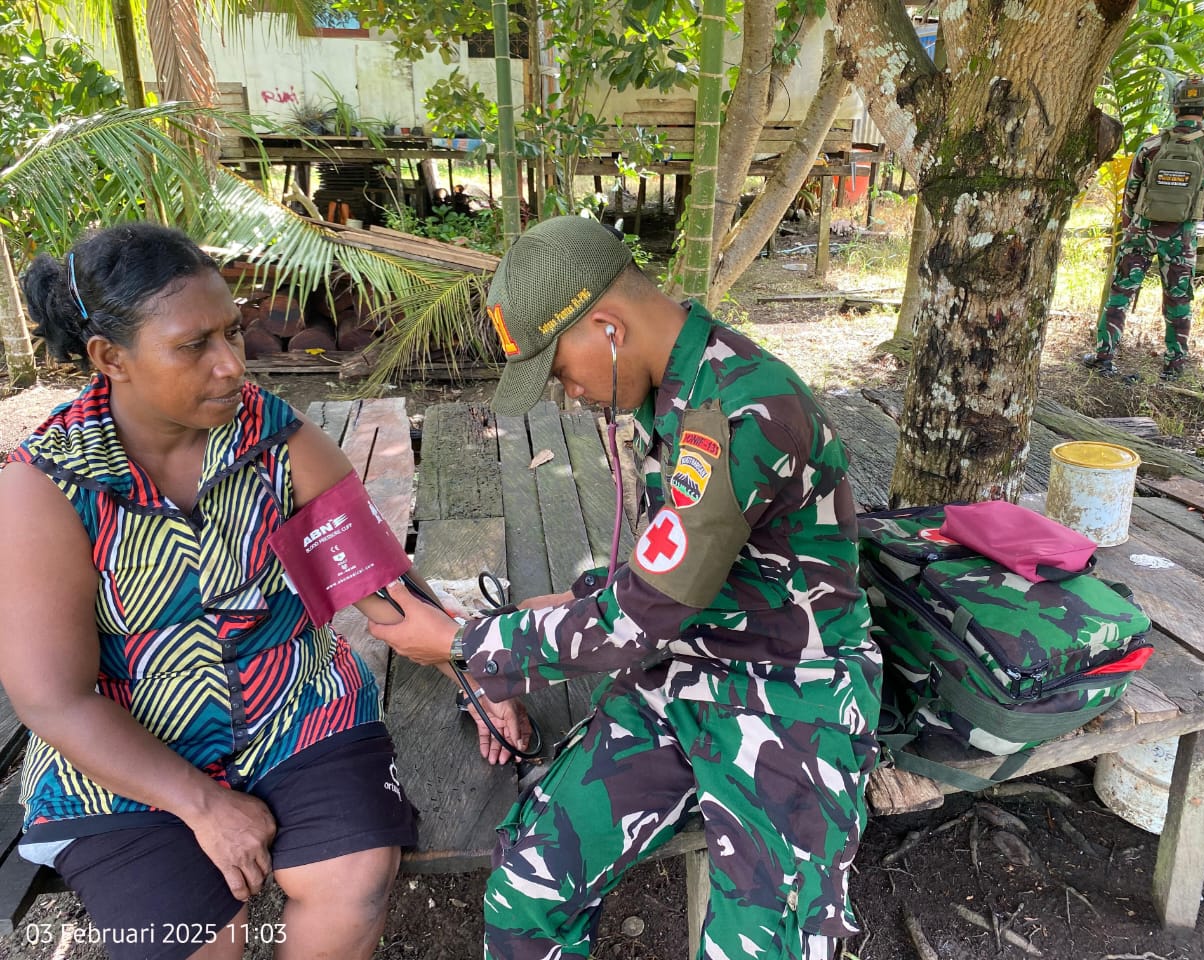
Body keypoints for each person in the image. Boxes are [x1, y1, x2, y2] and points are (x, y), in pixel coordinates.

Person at [0, 222, 525, 960]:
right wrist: (202, 805)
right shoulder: (45, 487)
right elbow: (53, 698)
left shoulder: (272, 437)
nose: (231, 367)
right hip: (126, 752)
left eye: (234, 334)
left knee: (354, 883)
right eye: (194, 345)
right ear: (108, 358)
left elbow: (372, 575)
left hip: (294, 711)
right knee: (194, 944)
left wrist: (474, 678)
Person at [369, 215, 883, 960]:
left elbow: (638, 619)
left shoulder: (736, 414)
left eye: (561, 370)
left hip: (789, 688)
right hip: (682, 665)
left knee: (768, 948)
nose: (569, 394)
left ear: (606, 327)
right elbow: (671, 564)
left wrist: (462, 644)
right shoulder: (674, 391)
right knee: (529, 888)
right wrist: (577, 602)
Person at [1084, 74, 1204, 381]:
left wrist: (1130, 228)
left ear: (1175, 105)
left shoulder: (1151, 145)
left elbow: (1132, 193)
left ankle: (1104, 358)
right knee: (1178, 300)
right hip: (1182, 236)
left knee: (1120, 295)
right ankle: (1173, 366)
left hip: (1142, 231)